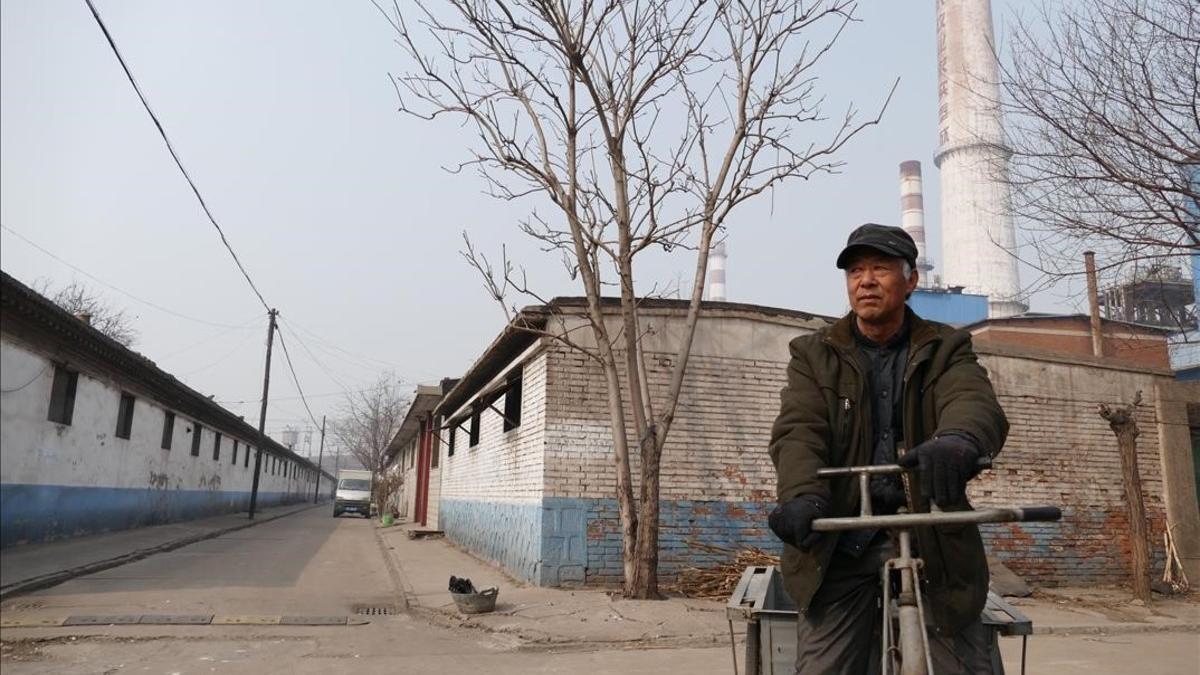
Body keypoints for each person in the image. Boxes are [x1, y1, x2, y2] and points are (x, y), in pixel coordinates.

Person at [767, 223, 1009, 675]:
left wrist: (958, 441)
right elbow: (799, 429)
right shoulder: (814, 354)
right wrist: (803, 495)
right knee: (823, 666)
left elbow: (971, 400)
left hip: (929, 531)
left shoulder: (946, 347)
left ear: (911, 279)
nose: (866, 281)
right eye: (855, 271)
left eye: (880, 268)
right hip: (841, 536)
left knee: (966, 663)